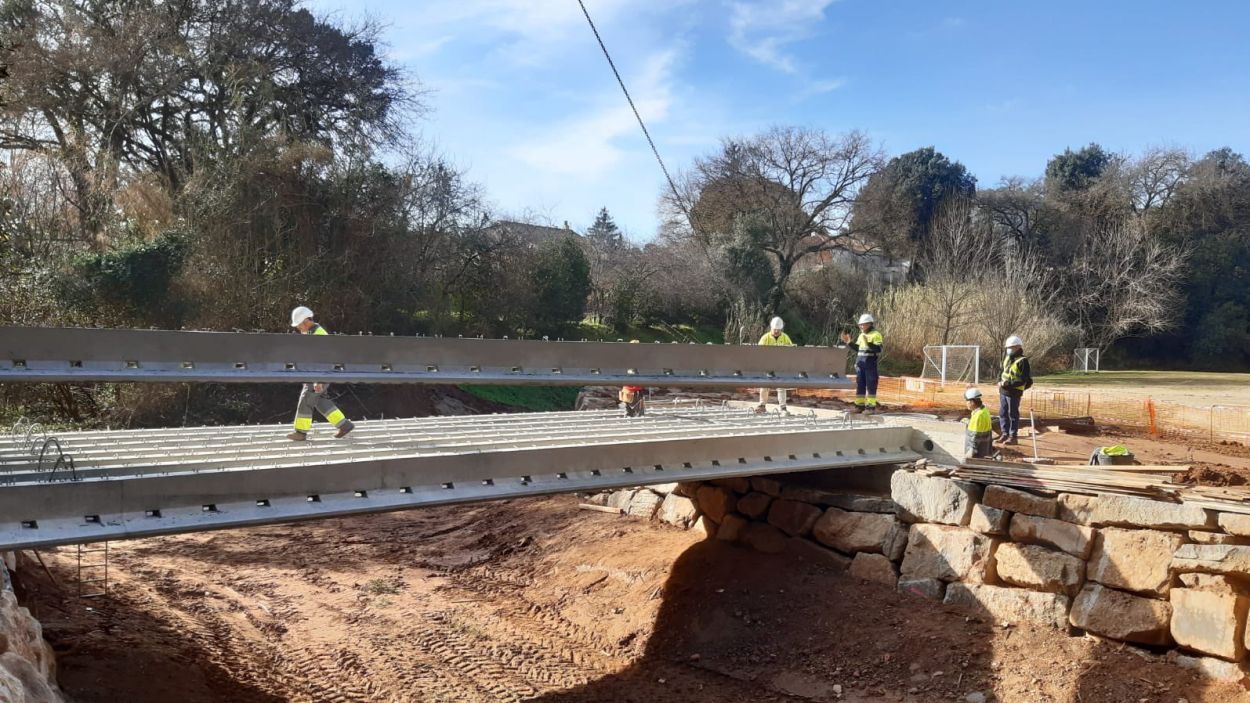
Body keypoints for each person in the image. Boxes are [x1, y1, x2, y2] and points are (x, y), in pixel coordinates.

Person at [287, 306, 355, 441]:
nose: (299, 329)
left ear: (306, 321)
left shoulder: (319, 335)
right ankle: (344, 425)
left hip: (319, 374)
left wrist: (319, 380)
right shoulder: (313, 333)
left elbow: (324, 360)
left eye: (299, 326)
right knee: (320, 401)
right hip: (318, 373)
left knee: (306, 398)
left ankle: (301, 432)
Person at [840, 313, 883, 414]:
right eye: (860, 325)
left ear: (869, 324)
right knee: (860, 386)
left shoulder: (876, 334)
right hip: (861, 366)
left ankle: (871, 408)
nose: (861, 326)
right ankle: (859, 406)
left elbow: (879, 349)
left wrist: (869, 343)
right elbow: (858, 349)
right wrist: (849, 343)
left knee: (871, 385)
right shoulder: (861, 335)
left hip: (870, 365)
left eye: (863, 324)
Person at [998, 335, 1033, 446]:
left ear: (1018, 347)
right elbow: (1003, 371)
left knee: (1012, 414)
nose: (1009, 350)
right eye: (1008, 347)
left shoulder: (1023, 361)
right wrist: (999, 382)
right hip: (1003, 391)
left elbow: (1023, 380)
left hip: (1014, 392)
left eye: (1011, 347)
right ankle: (1004, 434)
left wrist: (1007, 384)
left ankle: (1013, 436)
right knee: (1003, 413)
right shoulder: (1008, 358)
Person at [755, 316, 793, 413]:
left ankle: (783, 407)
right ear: (771, 328)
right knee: (764, 385)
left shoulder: (785, 338)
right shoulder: (765, 338)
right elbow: (758, 352)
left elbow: (791, 351)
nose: (776, 331)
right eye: (775, 329)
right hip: (767, 366)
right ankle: (762, 405)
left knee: (781, 386)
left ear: (781, 329)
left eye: (778, 330)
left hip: (780, 366)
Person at [964, 387, 995, 459]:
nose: (966, 403)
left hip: (977, 456)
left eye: (967, 401)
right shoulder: (984, 410)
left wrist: (968, 457)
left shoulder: (978, 416)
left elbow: (975, 438)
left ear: (972, 402)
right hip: (984, 451)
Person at [620, 340, 647, 417]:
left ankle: (628, 410)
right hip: (638, 382)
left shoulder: (626, 356)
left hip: (630, 383)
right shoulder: (643, 356)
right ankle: (637, 410)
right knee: (633, 389)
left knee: (626, 389)